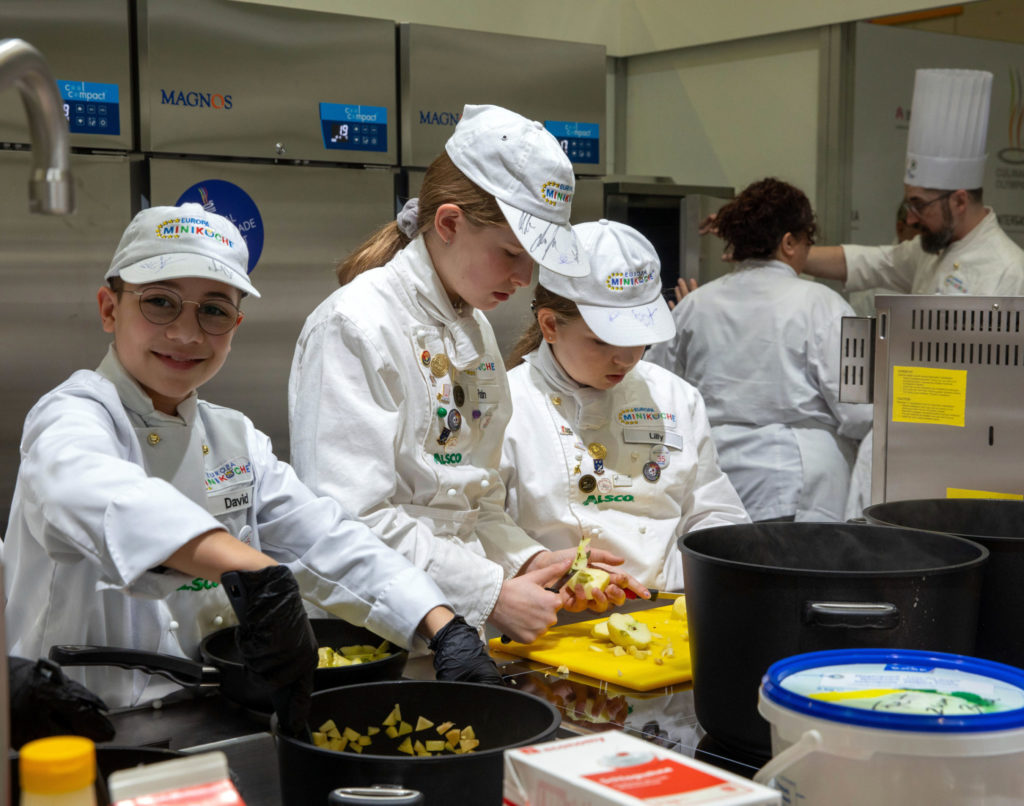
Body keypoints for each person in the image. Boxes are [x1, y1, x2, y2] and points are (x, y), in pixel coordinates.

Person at [3, 203, 502, 726]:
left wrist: (442, 624)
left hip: (209, 717)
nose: (186, 334)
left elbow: (325, 540)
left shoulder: (232, 437)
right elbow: (89, 490)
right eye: (159, 303)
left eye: (213, 310)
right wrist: (251, 568)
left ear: (236, 324)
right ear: (109, 308)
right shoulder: (72, 413)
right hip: (74, 728)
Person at [289, 104, 644, 645]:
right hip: (369, 631)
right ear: (449, 223)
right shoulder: (355, 324)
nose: (526, 279)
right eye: (511, 254)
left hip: (450, 624)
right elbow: (346, 522)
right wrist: (489, 593)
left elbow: (472, 504)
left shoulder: (472, 327)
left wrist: (535, 563)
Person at [500, 220, 749, 590]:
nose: (626, 358)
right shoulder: (508, 404)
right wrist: (541, 570)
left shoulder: (674, 396)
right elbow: (480, 526)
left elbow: (713, 511)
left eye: (639, 338)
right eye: (602, 342)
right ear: (550, 325)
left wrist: (722, 573)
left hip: (668, 610)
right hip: (551, 617)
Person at [646, 178, 873, 523]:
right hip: (800, 487)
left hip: (714, 481)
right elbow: (861, 414)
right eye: (809, 241)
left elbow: (655, 393)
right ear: (789, 242)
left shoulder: (694, 306)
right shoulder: (828, 305)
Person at [801, 69, 1024, 298]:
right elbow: (868, 263)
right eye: (910, 204)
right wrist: (786, 254)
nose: (910, 219)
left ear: (959, 201)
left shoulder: (1010, 272)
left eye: (920, 204)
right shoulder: (929, 250)